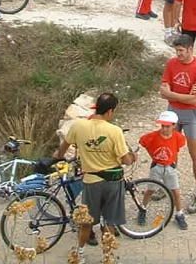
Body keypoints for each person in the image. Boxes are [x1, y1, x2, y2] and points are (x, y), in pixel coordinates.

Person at [53, 92, 136, 264]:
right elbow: (126, 160)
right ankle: (108, 257)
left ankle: (80, 253)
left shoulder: (78, 126)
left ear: (96, 107)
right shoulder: (114, 131)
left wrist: (58, 156)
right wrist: (132, 156)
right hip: (112, 182)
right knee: (109, 222)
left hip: (91, 182)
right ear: (110, 112)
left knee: (86, 221)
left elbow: (63, 148)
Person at [160, 33, 196, 215]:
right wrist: (183, 96)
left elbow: (195, 100)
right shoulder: (172, 64)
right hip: (172, 112)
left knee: (194, 152)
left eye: (181, 51)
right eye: (176, 51)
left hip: (190, 115)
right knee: (169, 148)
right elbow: (162, 90)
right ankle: (167, 185)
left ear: (190, 50)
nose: (178, 54)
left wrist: (172, 94)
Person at [138, 111, 189, 230]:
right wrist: (152, 155)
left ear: (173, 126)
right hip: (157, 167)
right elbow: (142, 141)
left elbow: (177, 150)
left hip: (170, 167)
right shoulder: (153, 136)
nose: (164, 129)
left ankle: (179, 213)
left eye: (167, 126)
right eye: (162, 126)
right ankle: (143, 209)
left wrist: (174, 163)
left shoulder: (178, 137)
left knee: (175, 191)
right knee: (150, 190)